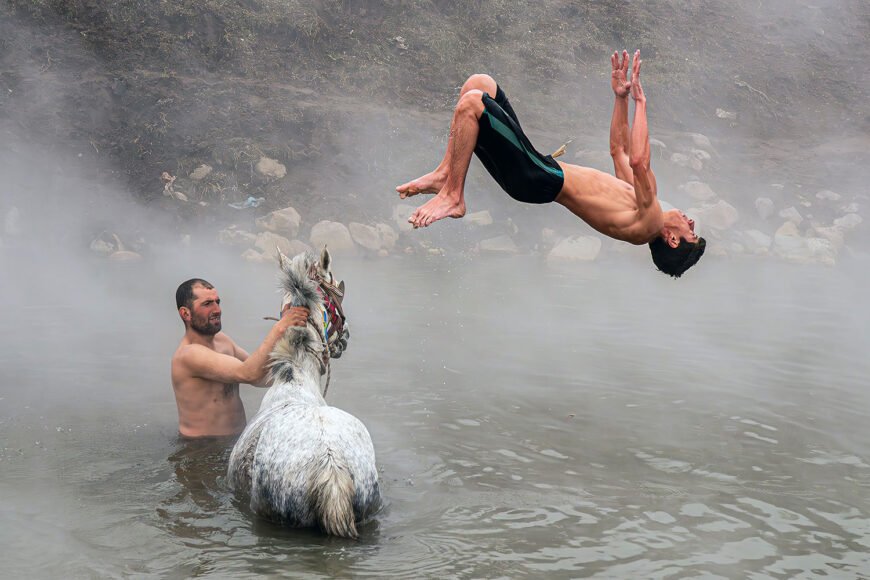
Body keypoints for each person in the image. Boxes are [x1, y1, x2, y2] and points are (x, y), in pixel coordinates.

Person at [397, 50, 706, 278]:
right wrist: (620, 98)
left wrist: (641, 102)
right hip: (538, 171)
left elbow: (639, 160)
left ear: (673, 239)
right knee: (481, 83)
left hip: (537, 177)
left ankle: (454, 195)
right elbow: (620, 151)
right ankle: (445, 173)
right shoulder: (641, 208)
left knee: (472, 103)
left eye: (691, 233)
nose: (691, 223)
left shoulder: (650, 223)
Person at [170, 278, 309, 438]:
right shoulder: (188, 355)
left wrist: (301, 353)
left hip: (236, 441)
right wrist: (280, 327)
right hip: (202, 450)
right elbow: (248, 373)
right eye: (207, 304)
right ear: (185, 313)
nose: (217, 310)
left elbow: (262, 377)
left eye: (217, 302)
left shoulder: (222, 340)